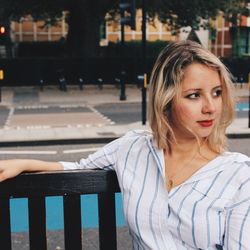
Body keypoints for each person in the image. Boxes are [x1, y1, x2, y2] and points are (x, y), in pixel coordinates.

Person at [0, 40, 250, 249]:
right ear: (166, 99)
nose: (210, 107)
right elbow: (80, 166)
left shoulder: (239, 176)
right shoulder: (133, 149)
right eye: (194, 95)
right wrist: (24, 163)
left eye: (217, 93)